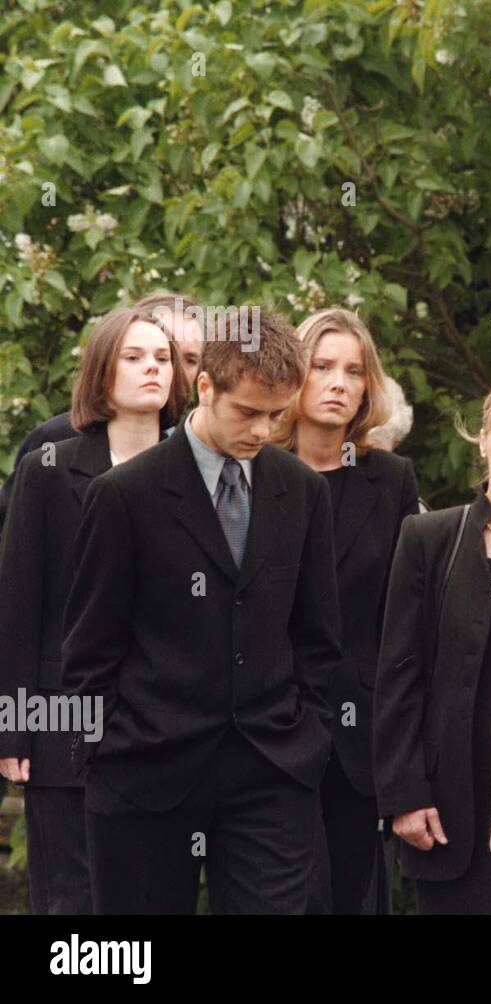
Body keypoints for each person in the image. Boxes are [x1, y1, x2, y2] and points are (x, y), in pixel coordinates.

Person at [61, 308, 343, 914]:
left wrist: (311, 737)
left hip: (273, 771)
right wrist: (104, 750)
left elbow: (319, 638)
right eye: (247, 412)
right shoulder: (122, 495)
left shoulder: (303, 492)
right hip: (144, 773)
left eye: (277, 414)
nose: (263, 431)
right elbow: (88, 650)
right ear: (206, 387)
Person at [0, 307, 188, 914]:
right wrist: (15, 722)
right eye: (133, 358)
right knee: (70, 900)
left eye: (161, 358)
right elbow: (19, 602)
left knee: (151, 895)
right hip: (62, 715)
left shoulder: (199, 469)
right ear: (102, 372)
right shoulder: (47, 470)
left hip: (171, 720)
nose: (151, 368)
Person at [374, 358, 491, 914]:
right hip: (448, 808)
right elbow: (398, 676)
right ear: (482, 439)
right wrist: (405, 794)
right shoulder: (429, 538)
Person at [272, 309, 418, 914]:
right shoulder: (255, 473)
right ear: (293, 379)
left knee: (356, 897)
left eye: (353, 371)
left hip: (363, 741)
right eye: (322, 367)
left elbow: (406, 618)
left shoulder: (391, 479)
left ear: (367, 388)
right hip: (269, 732)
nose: (338, 383)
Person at [0, 291, 203, 533]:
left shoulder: (197, 458)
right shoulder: (55, 441)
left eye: (187, 359)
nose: (157, 367)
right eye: (134, 356)